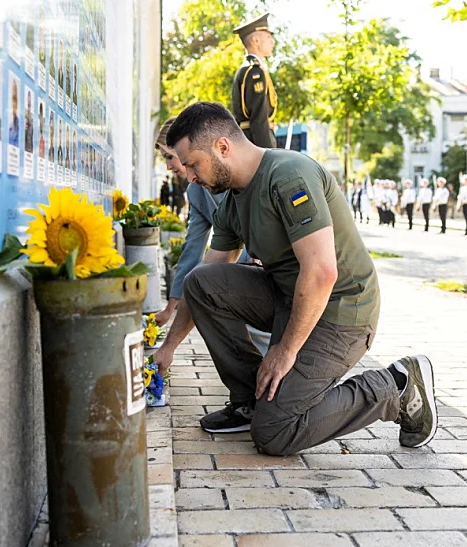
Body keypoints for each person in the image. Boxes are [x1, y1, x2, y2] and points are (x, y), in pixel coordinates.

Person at [154, 101, 438, 454]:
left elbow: (321, 272)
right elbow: (207, 278)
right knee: (202, 282)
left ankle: (396, 386)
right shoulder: (232, 201)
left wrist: (285, 351)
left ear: (222, 147)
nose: (189, 176)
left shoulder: (288, 175)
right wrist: (168, 348)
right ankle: (250, 400)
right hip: (291, 299)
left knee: (275, 433)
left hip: (340, 312)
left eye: (192, 164)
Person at [152, 116, 270, 355]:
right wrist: (171, 307)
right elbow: (193, 248)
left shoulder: (227, 174)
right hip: (235, 264)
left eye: (169, 157)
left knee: (263, 335)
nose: (169, 166)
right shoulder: (195, 192)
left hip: (262, 262)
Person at [231, 13, 277, 149]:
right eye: (268, 37)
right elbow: (258, 118)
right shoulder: (254, 72)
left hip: (248, 139)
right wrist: (268, 153)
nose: (272, 42)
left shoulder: (248, 69)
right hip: (255, 140)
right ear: (256, 40)